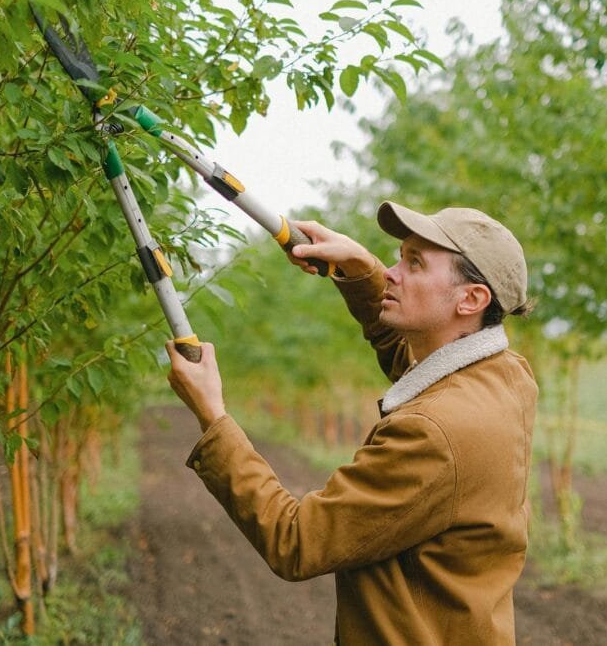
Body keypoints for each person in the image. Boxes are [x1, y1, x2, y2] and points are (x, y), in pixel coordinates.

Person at [166, 201, 538, 644]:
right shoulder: (506, 375)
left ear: (471, 299)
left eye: (414, 263)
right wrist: (363, 272)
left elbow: (297, 540)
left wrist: (213, 416)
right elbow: (419, 366)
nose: (393, 271)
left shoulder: (433, 433)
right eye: (399, 256)